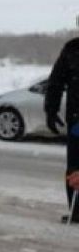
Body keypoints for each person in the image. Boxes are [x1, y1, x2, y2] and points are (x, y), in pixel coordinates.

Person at [45, 18, 79, 224]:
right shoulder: (72, 49)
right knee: (75, 168)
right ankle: (76, 211)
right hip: (77, 122)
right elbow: (56, 81)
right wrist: (51, 110)